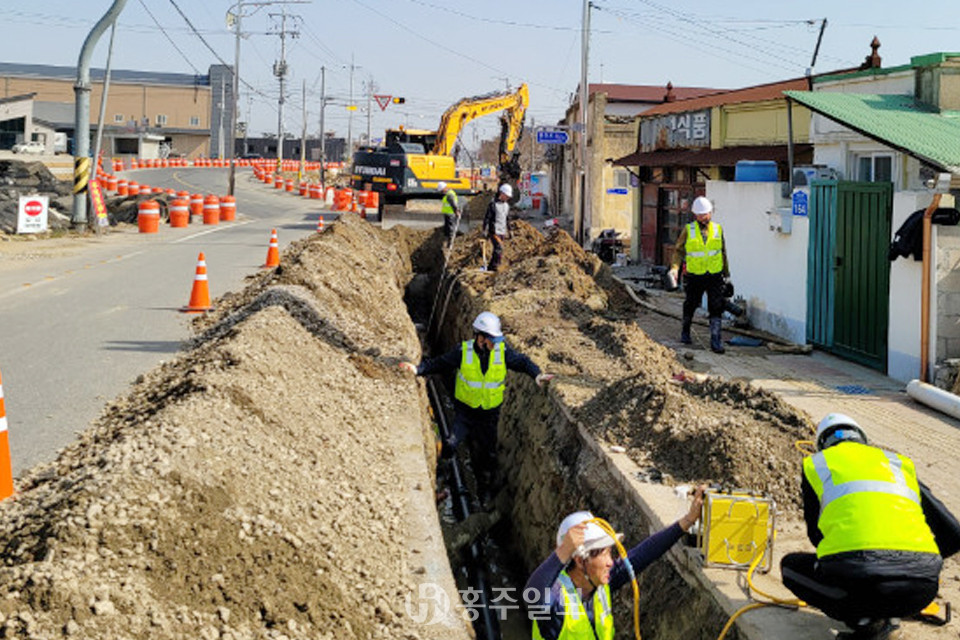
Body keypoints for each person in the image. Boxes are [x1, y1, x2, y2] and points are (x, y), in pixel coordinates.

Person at [781, 413, 945, 640]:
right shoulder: (897, 463)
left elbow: (816, 536)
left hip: (860, 584)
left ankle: (866, 623)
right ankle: (888, 612)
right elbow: (953, 533)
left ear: (822, 444)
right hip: (921, 591)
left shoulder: (817, 464)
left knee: (790, 568)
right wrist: (917, 566)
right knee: (876, 584)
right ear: (862, 438)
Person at [399, 311, 553, 496]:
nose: (496, 343)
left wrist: (537, 375)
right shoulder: (463, 352)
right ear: (480, 338)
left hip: (489, 415)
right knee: (450, 443)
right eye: (492, 340)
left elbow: (522, 362)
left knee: (488, 454)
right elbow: (439, 363)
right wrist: (418, 369)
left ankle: (485, 489)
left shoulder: (501, 353)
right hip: (465, 413)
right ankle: (442, 476)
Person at [525, 487, 704, 640]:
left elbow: (642, 554)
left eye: (610, 553)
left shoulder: (599, 586)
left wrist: (688, 520)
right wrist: (564, 551)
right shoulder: (556, 600)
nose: (611, 562)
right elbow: (531, 596)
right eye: (604, 554)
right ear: (580, 561)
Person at [668, 195, 730, 354]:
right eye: (700, 215)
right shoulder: (689, 230)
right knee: (691, 304)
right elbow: (678, 251)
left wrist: (727, 275)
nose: (704, 217)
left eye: (706, 214)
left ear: (711, 213)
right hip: (695, 275)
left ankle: (716, 341)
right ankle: (685, 331)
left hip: (715, 275)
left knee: (716, 307)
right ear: (695, 215)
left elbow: (722, 252)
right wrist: (675, 268)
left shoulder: (718, 229)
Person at [483, 183, 512, 272]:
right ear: (501, 193)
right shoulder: (493, 204)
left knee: (498, 249)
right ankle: (494, 267)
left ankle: (491, 266)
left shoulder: (506, 206)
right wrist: (485, 230)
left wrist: (510, 230)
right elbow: (487, 218)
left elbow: (507, 218)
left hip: (502, 231)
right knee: (499, 248)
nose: (507, 198)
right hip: (494, 231)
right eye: (506, 196)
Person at [438, 181, 461, 248]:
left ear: (444, 188)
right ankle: (446, 240)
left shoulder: (450, 194)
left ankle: (450, 243)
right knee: (447, 227)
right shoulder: (448, 194)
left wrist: (456, 211)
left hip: (451, 214)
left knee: (451, 228)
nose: (442, 192)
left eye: (442, 190)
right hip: (448, 214)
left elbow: (453, 204)